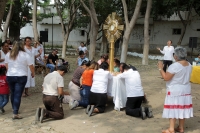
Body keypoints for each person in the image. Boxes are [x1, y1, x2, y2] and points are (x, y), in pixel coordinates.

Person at [157, 47, 193, 133]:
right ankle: (181, 127)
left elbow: (166, 78)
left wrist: (160, 68)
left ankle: (171, 128)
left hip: (175, 90)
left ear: (176, 56)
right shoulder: (189, 64)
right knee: (182, 108)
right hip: (185, 89)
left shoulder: (174, 66)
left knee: (173, 108)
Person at [5, 40, 34, 119]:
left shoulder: (8, 54)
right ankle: (15, 112)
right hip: (21, 76)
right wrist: (32, 73)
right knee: (18, 94)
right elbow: (31, 66)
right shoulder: (25, 55)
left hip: (10, 75)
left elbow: (6, 66)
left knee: (13, 93)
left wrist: (10, 72)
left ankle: (13, 108)